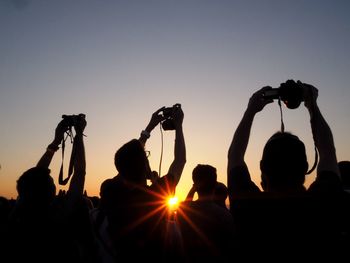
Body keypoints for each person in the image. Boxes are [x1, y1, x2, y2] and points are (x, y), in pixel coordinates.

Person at [227, 80, 343, 261]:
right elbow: (328, 150)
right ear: (305, 168)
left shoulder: (247, 205)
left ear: (262, 167)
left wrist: (251, 111)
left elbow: (235, 154)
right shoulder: (323, 202)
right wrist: (312, 105)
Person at [5, 114, 97, 263]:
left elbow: (35, 178)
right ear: (49, 191)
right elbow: (79, 172)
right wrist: (79, 134)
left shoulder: (20, 215)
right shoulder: (60, 216)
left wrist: (56, 141)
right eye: (52, 182)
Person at [100, 104, 186, 262]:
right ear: (143, 166)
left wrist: (149, 128)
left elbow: (127, 159)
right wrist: (179, 126)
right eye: (146, 157)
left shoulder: (109, 190)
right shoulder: (153, 197)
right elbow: (180, 160)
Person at [177, 164, 235, 263]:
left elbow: (185, 205)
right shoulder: (224, 215)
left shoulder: (183, 211)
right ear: (215, 184)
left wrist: (193, 189)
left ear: (195, 184)